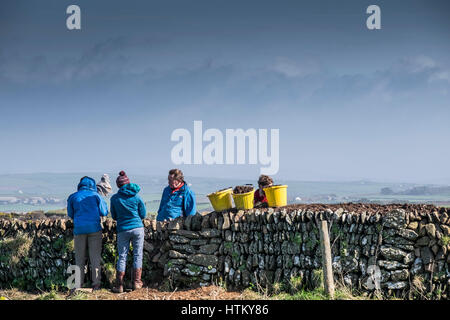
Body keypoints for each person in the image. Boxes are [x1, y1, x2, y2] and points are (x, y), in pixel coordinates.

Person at [67, 176, 108, 290]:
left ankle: (78, 285)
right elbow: (104, 212)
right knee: (95, 258)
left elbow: (71, 213)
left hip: (79, 229)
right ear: (93, 185)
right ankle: (96, 285)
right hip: (94, 229)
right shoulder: (96, 196)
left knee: (79, 258)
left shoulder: (73, 197)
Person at [110, 171, 147, 293]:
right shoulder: (136, 197)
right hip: (137, 228)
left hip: (123, 229)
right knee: (137, 254)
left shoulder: (115, 198)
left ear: (118, 185)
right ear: (128, 183)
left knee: (122, 256)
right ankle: (136, 282)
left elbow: (114, 216)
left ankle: (119, 285)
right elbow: (143, 214)